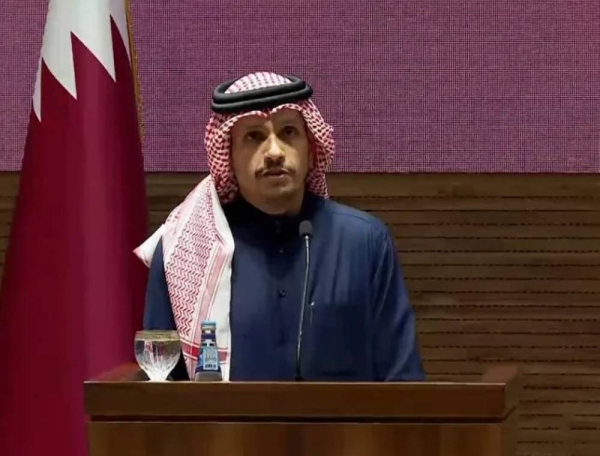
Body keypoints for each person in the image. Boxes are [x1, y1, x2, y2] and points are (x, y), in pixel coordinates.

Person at [135, 71, 425, 382]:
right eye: (254, 136)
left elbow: (403, 382)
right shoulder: (185, 249)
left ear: (311, 148)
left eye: (288, 132)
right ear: (228, 156)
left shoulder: (366, 243)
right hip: (225, 432)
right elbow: (160, 386)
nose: (274, 152)